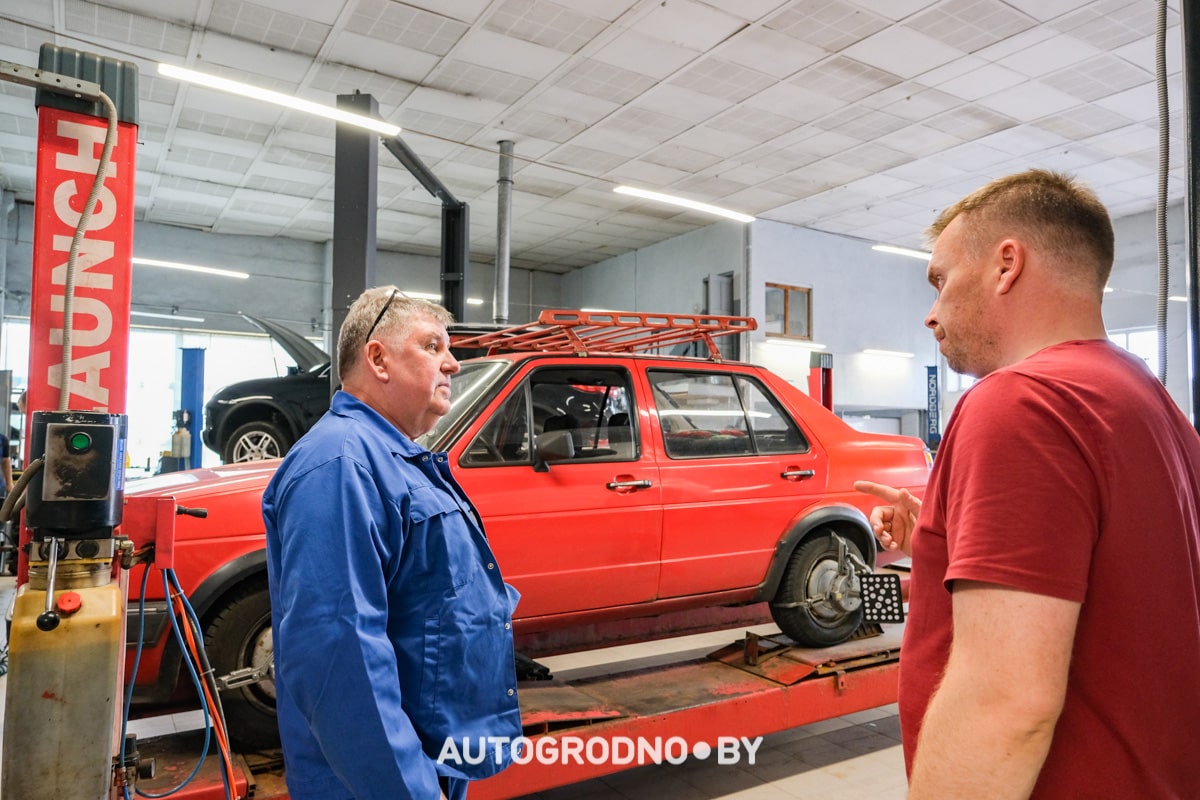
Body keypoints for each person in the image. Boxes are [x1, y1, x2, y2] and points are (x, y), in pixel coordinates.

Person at [856, 169, 1200, 799]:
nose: (931, 314)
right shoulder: (1147, 400)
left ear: (1005, 264)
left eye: (940, 280)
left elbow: (1005, 705)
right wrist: (943, 543)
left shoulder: (1020, 402)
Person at [262, 287, 522, 800]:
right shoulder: (341, 464)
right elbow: (341, 658)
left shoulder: (395, 457)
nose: (452, 364)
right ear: (377, 358)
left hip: (429, 752)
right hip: (375, 779)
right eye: (432, 346)